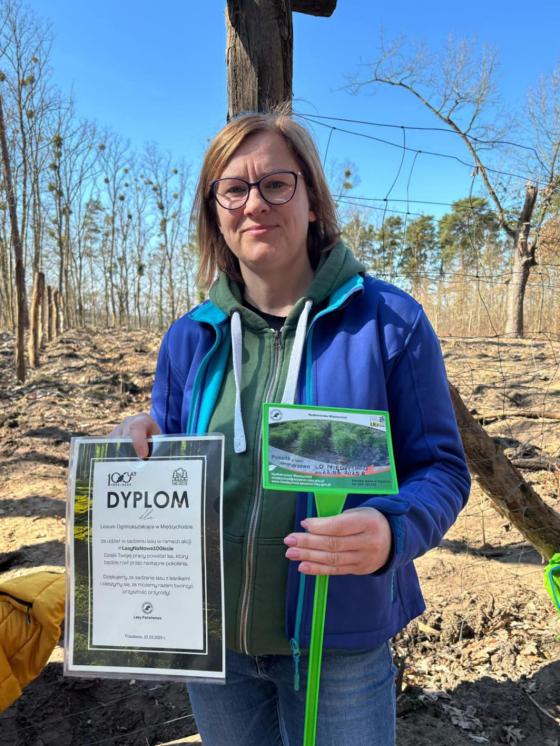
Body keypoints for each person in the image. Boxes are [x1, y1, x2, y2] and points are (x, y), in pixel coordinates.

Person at [111, 110, 470, 745]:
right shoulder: (190, 339)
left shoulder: (390, 323)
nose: (255, 203)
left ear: (312, 201)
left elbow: (441, 468)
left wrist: (393, 529)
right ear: (215, 214)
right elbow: (170, 450)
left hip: (341, 643)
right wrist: (140, 438)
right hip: (215, 644)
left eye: (276, 183)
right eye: (233, 189)